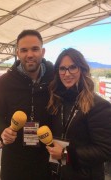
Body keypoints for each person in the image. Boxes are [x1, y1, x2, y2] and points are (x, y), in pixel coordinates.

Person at [0, 29, 54, 180]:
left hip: (45, 159)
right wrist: (2, 131)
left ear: (43, 52)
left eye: (35, 49)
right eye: (24, 50)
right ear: (17, 53)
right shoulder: (3, 82)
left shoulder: (54, 79)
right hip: (14, 161)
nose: (30, 54)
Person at [46, 48, 111, 180]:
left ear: (81, 69)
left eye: (73, 67)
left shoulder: (98, 105)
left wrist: (66, 154)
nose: (67, 73)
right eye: (62, 68)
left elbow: (105, 150)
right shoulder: (57, 101)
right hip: (59, 174)